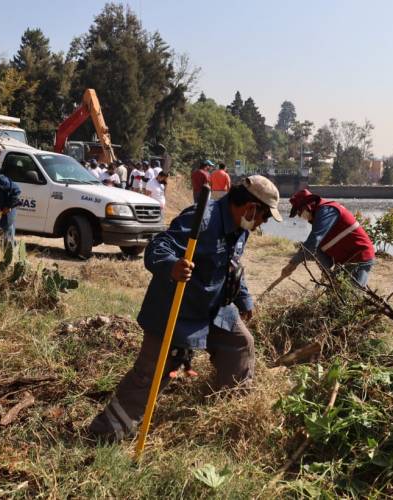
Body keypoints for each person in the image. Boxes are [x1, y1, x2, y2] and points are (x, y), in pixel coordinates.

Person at [88, 175, 283, 442]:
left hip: (214, 308)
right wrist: (173, 265)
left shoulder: (241, 228)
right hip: (176, 310)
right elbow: (157, 247)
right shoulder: (202, 218)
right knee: (151, 375)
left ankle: (230, 414)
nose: (262, 224)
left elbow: (232, 266)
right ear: (251, 208)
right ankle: (105, 433)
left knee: (240, 343)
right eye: (264, 217)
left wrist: (244, 299)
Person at [280, 188, 375, 287]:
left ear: (308, 206)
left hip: (360, 258)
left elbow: (313, 242)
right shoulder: (319, 219)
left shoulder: (327, 210)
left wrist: (293, 263)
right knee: (333, 296)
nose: (299, 216)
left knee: (351, 296)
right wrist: (326, 274)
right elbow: (319, 249)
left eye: (299, 212)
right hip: (345, 263)